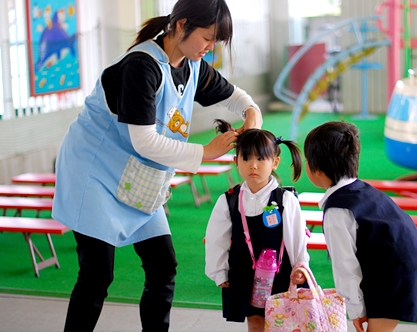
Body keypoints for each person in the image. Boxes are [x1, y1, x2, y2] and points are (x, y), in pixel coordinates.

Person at [52, 0, 263, 331]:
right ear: (181, 25)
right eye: (207, 38)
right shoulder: (142, 65)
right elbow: (144, 141)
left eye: (216, 42)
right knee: (97, 275)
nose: (210, 48)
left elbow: (239, 98)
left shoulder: (193, 66)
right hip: (93, 172)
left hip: (137, 176)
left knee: (163, 266)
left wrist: (251, 114)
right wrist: (205, 152)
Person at [303, 121, 417, 332]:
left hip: (397, 274)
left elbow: (345, 268)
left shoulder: (338, 211)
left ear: (316, 169)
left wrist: (356, 311)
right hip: (412, 263)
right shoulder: (361, 189)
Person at [205, 119, 309, 332]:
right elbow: (216, 238)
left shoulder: (286, 199)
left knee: (282, 321)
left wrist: (301, 266)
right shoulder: (230, 199)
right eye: (246, 158)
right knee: (255, 320)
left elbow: (297, 236)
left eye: (261, 159)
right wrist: (219, 271)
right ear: (236, 161)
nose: (253, 165)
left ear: (275, 162)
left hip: (280, 272)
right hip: (245, 272)